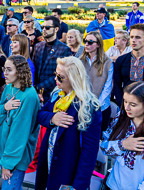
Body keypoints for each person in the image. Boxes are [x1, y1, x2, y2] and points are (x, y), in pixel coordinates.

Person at [35, 56, 102, 190]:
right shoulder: (57, 95)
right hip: (48, 163)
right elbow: (40, 114)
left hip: (68, 170)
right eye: (55, 74)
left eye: (60, 77)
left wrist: (79, 185)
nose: (55, 79)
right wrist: (52, 118)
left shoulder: (89, 106)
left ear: (73, 79)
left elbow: (89, 152)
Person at [0, 55, 40, 189]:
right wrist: (4, 107)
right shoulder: (9, 88)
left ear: (20, 72)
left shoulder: (29, 96)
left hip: (15, 160)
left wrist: (8, 164)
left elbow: (19, 135)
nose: (4, 73)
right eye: (4, 69)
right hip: (5, 153)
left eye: (9, 70)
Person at [32, 16, 72, 103]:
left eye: (47, 27)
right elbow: (33, 69)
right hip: (35, 93)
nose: (44, 30)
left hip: (53, 94)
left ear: (56, 29)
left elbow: (62, 74)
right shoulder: (38, 46)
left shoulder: (65, 49)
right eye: (43, 27)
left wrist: (39, 87)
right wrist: (34, 88)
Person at [80, 31, 113, 132]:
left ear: (98, 44)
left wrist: (96, 105)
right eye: (85, 41)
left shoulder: (107, 62)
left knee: (99, 139)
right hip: (82, 107)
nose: (86, 44)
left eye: (90, 42)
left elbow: (107, 87)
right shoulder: (80, 60)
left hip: (101, 108)